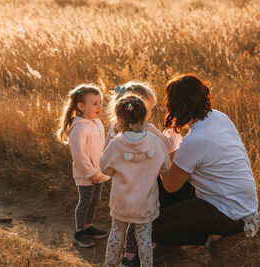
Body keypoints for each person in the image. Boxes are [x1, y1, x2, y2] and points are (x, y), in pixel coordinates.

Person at [152, 74, 259, 248]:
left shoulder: (194, 140)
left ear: (176, 105)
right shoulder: (219, 117)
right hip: (244, 201)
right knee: (163, 196)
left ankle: (211, 237)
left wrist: (157, 154)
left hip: (227, 211)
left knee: (154, 228)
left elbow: (170, 186)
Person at [105, 81, 182, 267]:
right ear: (143, 109)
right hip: (145, 199)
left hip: (121, 196)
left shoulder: (114, 134)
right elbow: (167, 154)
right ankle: (138, 261)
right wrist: (174, 133)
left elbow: (105, 165)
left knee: (117, 231)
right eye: (151, 108)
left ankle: (110, 263)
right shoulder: (151, 133)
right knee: (143, 234)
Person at [57, 84, 110, 247]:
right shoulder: (79, 128)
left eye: (100, 102)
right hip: (87, 173)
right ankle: (80, 231)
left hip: (98, 171)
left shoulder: (97, 122)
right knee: (86, 201)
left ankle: (88, 226)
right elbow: (80, 155)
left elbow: (101, 145)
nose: (99, 106)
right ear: (81, 107)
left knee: (95, 200)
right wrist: (91, 172)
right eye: (94, 103)